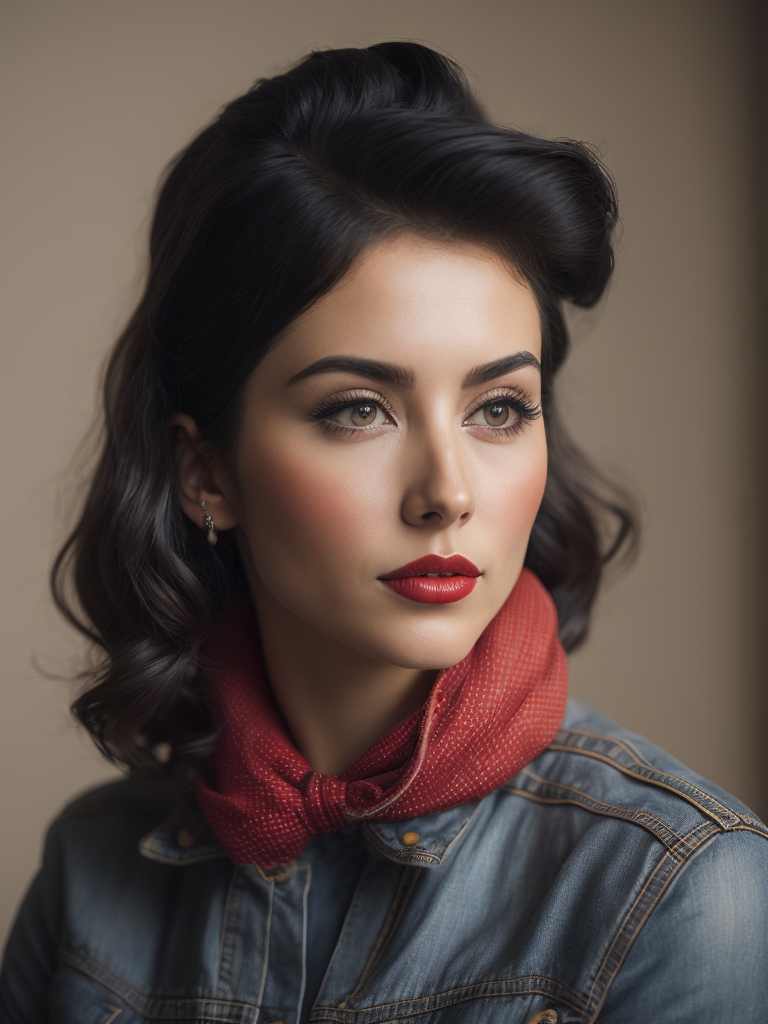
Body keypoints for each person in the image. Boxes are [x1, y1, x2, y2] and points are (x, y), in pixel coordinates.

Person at [1, 40, 766, 1024]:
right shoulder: (91, 870)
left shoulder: (686, 890)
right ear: (207, 473)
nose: (446, 492)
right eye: (359, 408)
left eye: (498, 408)